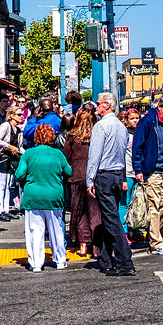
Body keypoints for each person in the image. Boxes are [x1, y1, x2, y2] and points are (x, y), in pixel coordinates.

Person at [86, 92, 136, 276]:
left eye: (98, 104)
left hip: (104, 176)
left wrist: (89, 180)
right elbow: (122, 153)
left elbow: (95, 156)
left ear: (107, 105)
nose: (96, 107)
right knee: (110, 216)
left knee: (111, 218)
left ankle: (125, 260)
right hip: (117, 174)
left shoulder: (101, 126)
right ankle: (106, 259)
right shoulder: (121, 127)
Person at [15, 122, 70, 273]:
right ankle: (60, 260)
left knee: (35, 231)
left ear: (36, 137)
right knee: (56, 230)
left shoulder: (28, 154)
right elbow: (69, 171)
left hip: (33, 196)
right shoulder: (58, 154)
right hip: (54, 196)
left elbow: (19, 174)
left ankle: (36, 263)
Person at [131, 95, 163, 255]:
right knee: (153, 207)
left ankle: (154, 233)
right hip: (151, 172)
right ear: (159, 107)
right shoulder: (147, 122)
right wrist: (138, 170)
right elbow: (137, 147)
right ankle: (156, 242)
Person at [64, 107, 101, 258]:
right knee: (95, 212)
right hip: (94, 176)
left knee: (79, 212)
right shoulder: (97, 135)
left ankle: (83, 245)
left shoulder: (72, 136)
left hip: (77, 176)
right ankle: (97, 247)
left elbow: (66, 156)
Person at [0, 106, 23, 222]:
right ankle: (1, 210)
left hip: (12, 159)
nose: (21, 117)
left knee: (8, 185)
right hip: (3, 158)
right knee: (1, 185)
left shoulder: (19, 131)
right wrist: (9, 146)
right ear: (11, 116)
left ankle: (6, 210)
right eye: (19, 114)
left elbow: (20, 147)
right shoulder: (6, 126)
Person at [117, 106, 141, 236]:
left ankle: (135, 227)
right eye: (132, 119)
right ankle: (124, 229)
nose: (135, 121)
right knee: (124, 202)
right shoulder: (124, 134)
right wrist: (123, 178)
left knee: (136, 202)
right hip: (127, 173)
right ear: (127, 120)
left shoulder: (141, 133)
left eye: (137, 118)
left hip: (138, 172)